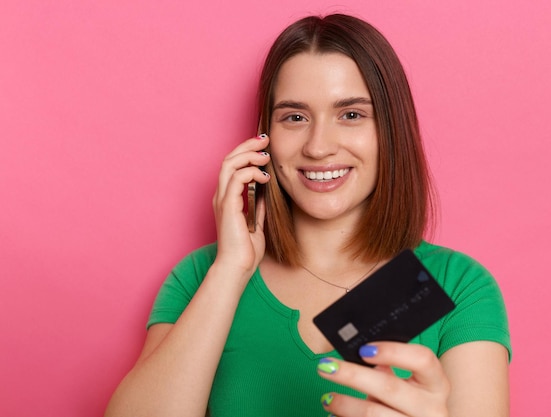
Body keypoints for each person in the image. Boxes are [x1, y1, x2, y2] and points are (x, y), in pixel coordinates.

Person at [105, 13, 511, 417]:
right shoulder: (201, 276)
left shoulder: (459, 287)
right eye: (294, 118)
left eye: (351, 114)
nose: (319, 147)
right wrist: (230, 269)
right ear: (265, 138)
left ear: (391, 131)